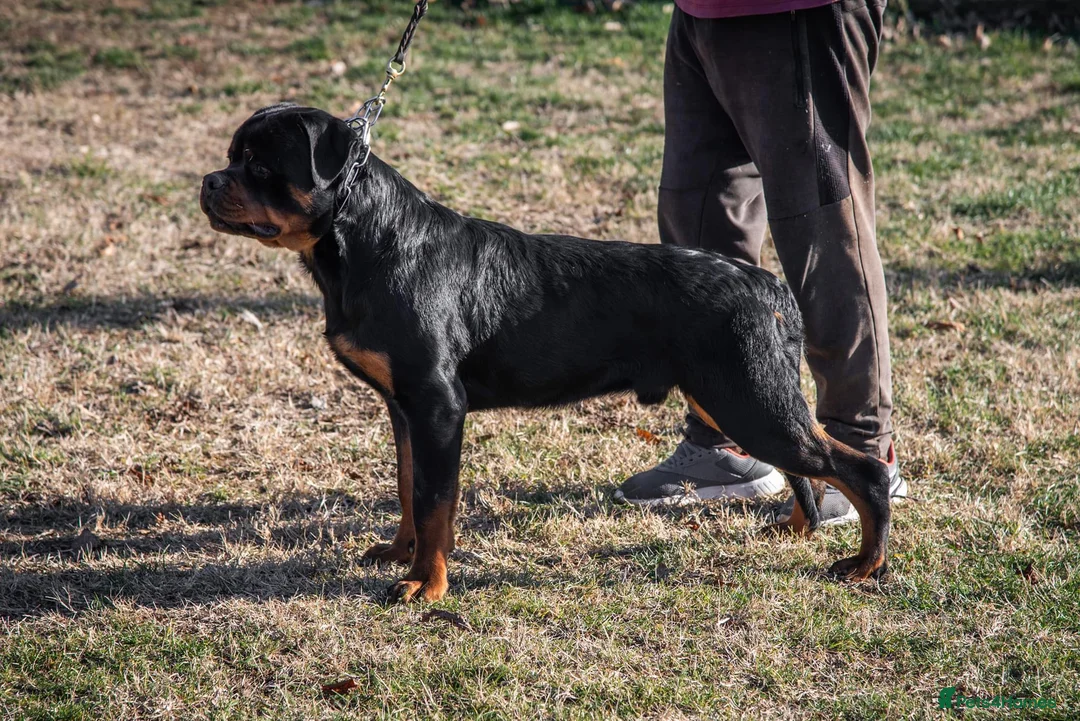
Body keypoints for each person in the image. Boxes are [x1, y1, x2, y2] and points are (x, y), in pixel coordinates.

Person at [615, 0, 906, 521]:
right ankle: (727, 442)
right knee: (697, 221)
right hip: (702, 13)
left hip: (797, 10)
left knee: (821, 231)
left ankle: (859, 447)